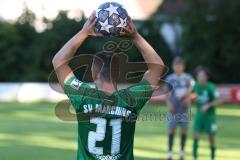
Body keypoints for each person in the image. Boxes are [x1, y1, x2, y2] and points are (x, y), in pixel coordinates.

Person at [52, 11, 165, 160]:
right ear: (118, 74)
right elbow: (158, 66)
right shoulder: (132, 99)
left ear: (93, 72)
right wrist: (135, 36)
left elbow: (58, 62)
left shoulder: (83, 96)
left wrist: (84, 32)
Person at [166, 57, 194, 160]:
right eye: (176, 65)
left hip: (184, 110)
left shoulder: (188, 78)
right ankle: (169, 152)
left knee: (184, 131)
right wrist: (169, 104)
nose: (178, 67)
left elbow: (193, 93)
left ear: (183, 66)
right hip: (173, 109)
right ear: (173, 66)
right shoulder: (170, 79)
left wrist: (188, 99)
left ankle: (182, 152)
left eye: (180, 65)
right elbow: (167, 94)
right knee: (171, 130)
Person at [192, 66, 222, 160]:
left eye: (203, 76)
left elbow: (219, 100)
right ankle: (195, 157)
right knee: (195, 136)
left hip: (210, 117)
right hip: (199, 116)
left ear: (207, 77)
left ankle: (212, 157)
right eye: (199, 76)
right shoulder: (195, 86)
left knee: (211, 138)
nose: (201, 77)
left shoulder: (211, 87)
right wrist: (191, 99)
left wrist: (208, 105)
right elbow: (191, 97)